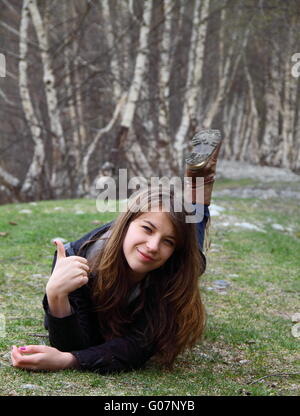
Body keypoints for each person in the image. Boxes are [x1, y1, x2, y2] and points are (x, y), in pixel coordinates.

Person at [11, 129, 223, 373]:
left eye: (168, 242)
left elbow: (137, 346)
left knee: (189, 237)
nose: (153, 246)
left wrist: (69, 360)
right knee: (172, 224)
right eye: (146, 228)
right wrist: (56, 294)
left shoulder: (176, 268)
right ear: (125, 225)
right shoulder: (76, 259)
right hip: (107, 247)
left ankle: (199, 182)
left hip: (170, 254)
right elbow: (76, 340)